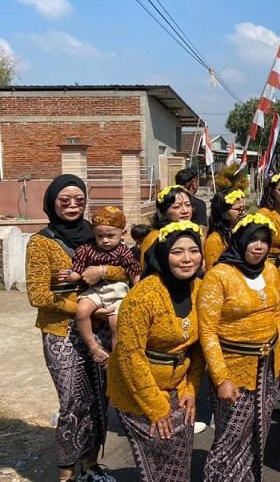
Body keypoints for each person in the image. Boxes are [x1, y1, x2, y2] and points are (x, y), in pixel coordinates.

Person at [26, 174, 126, 482]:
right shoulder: (41, 242)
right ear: (52, 203)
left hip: (102, 333)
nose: (72, 206)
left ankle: (91, 466)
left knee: (100, 399)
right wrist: (87, 310)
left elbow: (125, 263)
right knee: (72, 403)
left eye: (78, 200)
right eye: (64, 200)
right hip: (61, 334)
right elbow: (39, 294)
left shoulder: (95, 234)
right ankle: (67, 473)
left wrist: (102, 270)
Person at [198, 213, 280, 481]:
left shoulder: (271, 271)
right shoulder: (219, 276)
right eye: (252, 239)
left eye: (264, 240)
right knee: (232, 434)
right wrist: (221, 378)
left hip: (267, 367)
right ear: (240, 240)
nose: (259, 246)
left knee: (258, 430)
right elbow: (207, 331)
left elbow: (276, 316)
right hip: (234, 369)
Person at [107, 220, 206, 481]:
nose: (187, 259)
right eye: (177, 252)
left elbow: (199, 347)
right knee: (159, 456)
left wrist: (192, 387)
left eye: (193, 250)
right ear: (163, 254)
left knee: (180, 454)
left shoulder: (199, 290)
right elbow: (130, 357)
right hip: (137, 390)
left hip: (178, 385)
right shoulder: (143, 297)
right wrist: (155, 407)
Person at [70, 206, 141, 363]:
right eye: (99, 236)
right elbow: (77, 270)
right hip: (95, 289)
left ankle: (116, 358)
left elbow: (134, 272)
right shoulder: (87, 249)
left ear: (123, 233)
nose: (105, 240)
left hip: (117, 291)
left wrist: (137, 293)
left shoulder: (124, 252)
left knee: (115, 323)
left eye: (110, 235)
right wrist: (69, 276)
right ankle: (93, 347)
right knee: (81, 311)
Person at [139, 185, 194, 267]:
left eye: (188, 205)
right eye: (176, 207)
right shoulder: (155, 237)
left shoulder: (193, 232)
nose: (185, 211)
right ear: (164, 211)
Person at [205, 189, 248, 268]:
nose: (243, 213)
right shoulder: (214, 241)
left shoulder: (245, 233)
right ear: (224, 212)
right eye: (239, 209)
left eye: (244, 208)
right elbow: (212, 272)